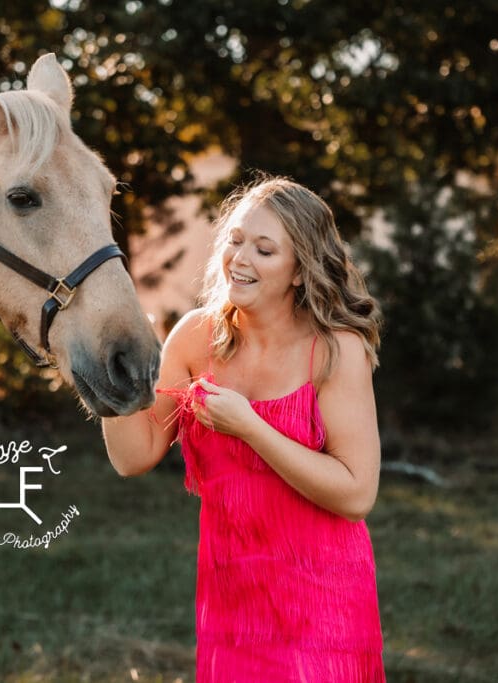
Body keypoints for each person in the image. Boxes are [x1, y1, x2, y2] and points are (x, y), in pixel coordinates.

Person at [102, 176, 385, 681]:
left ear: (300, 271)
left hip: (325, 602)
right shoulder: (194, 337)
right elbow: (133, 455)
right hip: (232, 600)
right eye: (234, 239)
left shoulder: (335, 350)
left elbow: (356, 492)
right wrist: (105, 377)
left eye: (264, 249)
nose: (240, 258)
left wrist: (252, 428)